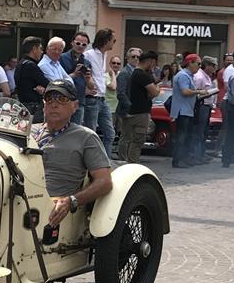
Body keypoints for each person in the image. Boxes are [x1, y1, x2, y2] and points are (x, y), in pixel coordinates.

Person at [34, 80, 113, 228]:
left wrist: (71, 201)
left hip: (53, 209)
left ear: (74, 106)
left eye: (62, 99)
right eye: (49, 99)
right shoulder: (28, 131)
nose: (54, 104)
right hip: (18, 201)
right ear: (44, 104)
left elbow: (104, 182)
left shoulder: (85, 137)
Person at [115, 50, 159, 163]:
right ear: (150, 62)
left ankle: (125, 161)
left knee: (127, 138)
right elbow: (154, 92)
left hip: (133, 111)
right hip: (138, 113)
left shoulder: (135, 73)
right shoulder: (141, 74)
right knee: (137, 140)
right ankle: (131, 163)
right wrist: (157, 87)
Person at [169, 54, 207, 169]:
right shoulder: (183, 76)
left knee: (186, 136)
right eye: (198, 63)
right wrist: (198, 92)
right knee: (182, 136)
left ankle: (183, 158)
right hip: (183, 111)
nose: (199, 66)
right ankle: (177, 160)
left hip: (187, 110)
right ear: (190, 63)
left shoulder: (188, 75)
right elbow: (185, 91)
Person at [83, 29, 116, 155]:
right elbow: (84, 73)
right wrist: (86, 88)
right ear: (106, 40)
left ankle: (105, 162)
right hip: (92, 98)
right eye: (113, 40)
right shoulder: (89, 55)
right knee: (90, 133)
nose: (114, 43)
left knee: (110, 133)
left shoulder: (104, 55)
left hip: (102, 98)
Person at [14, 37, 50, 122]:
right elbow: (47, 84)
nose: (42, 52)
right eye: (40, 49)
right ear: (34, 49)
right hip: (33, 108)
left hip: (22, 106)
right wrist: (43, 88)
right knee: (34, 132)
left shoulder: (20, 63)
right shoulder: (31, 65)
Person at [192, 56, 219, 164]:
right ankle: (196, 155)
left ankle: (201, 154)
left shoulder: (207, 76)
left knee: (204, 132)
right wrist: (208, 93)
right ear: (206, 65)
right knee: (199, 132)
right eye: (213, 66)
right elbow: (196, 93)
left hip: (207, 105)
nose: (214, 68)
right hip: (201, 105)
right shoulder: (199, 77)